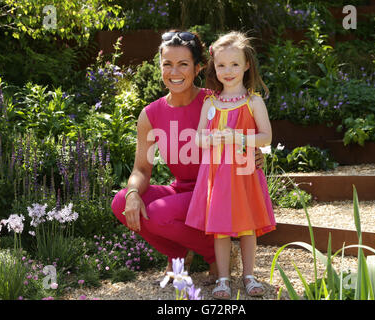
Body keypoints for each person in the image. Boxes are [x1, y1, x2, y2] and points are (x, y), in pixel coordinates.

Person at [110, 30, 265, 280]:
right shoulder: (150, 114)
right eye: (167, 64)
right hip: (181, 190)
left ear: (198, 68)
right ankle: (179, 254)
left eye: (183, 64)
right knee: (120, 203)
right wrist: (132, 193)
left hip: (214, 190)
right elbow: (141, 170)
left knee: (159, 213)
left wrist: (256, 154)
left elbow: (246, 134)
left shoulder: (214, 102)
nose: (174, 72)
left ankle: (216, 255)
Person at [185, 31, 276, 299]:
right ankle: (224, 279)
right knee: (221, 229)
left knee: (248, 227)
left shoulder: (253, 101)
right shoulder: (210, 102)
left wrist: (237, 136)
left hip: (245, 173)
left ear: (247, 65)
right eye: (222, 65)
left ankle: (249, 275)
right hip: (217, 176)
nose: (228, 70)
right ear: (214, 66)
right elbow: (199, 138)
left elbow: (266, 137)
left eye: (235, 64)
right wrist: (212, 137)